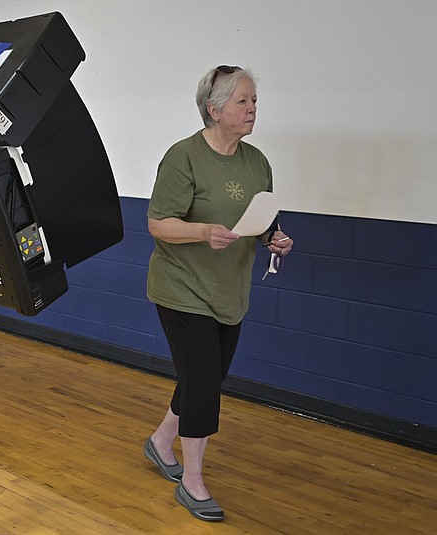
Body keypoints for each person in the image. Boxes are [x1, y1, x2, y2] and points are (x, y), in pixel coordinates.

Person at [142, 65, 293, 522]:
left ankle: (160, 442)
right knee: (205, 383)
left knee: (201, 379)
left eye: (253, 102)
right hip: (181, 288)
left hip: (230, 291)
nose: (252, 110)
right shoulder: (183, 157)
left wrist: (274, 238)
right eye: (242, 102)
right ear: (214, 109)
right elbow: (158, 223)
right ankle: (192, 482)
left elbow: (263, 219)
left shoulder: (257, 161)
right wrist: (203, 231)